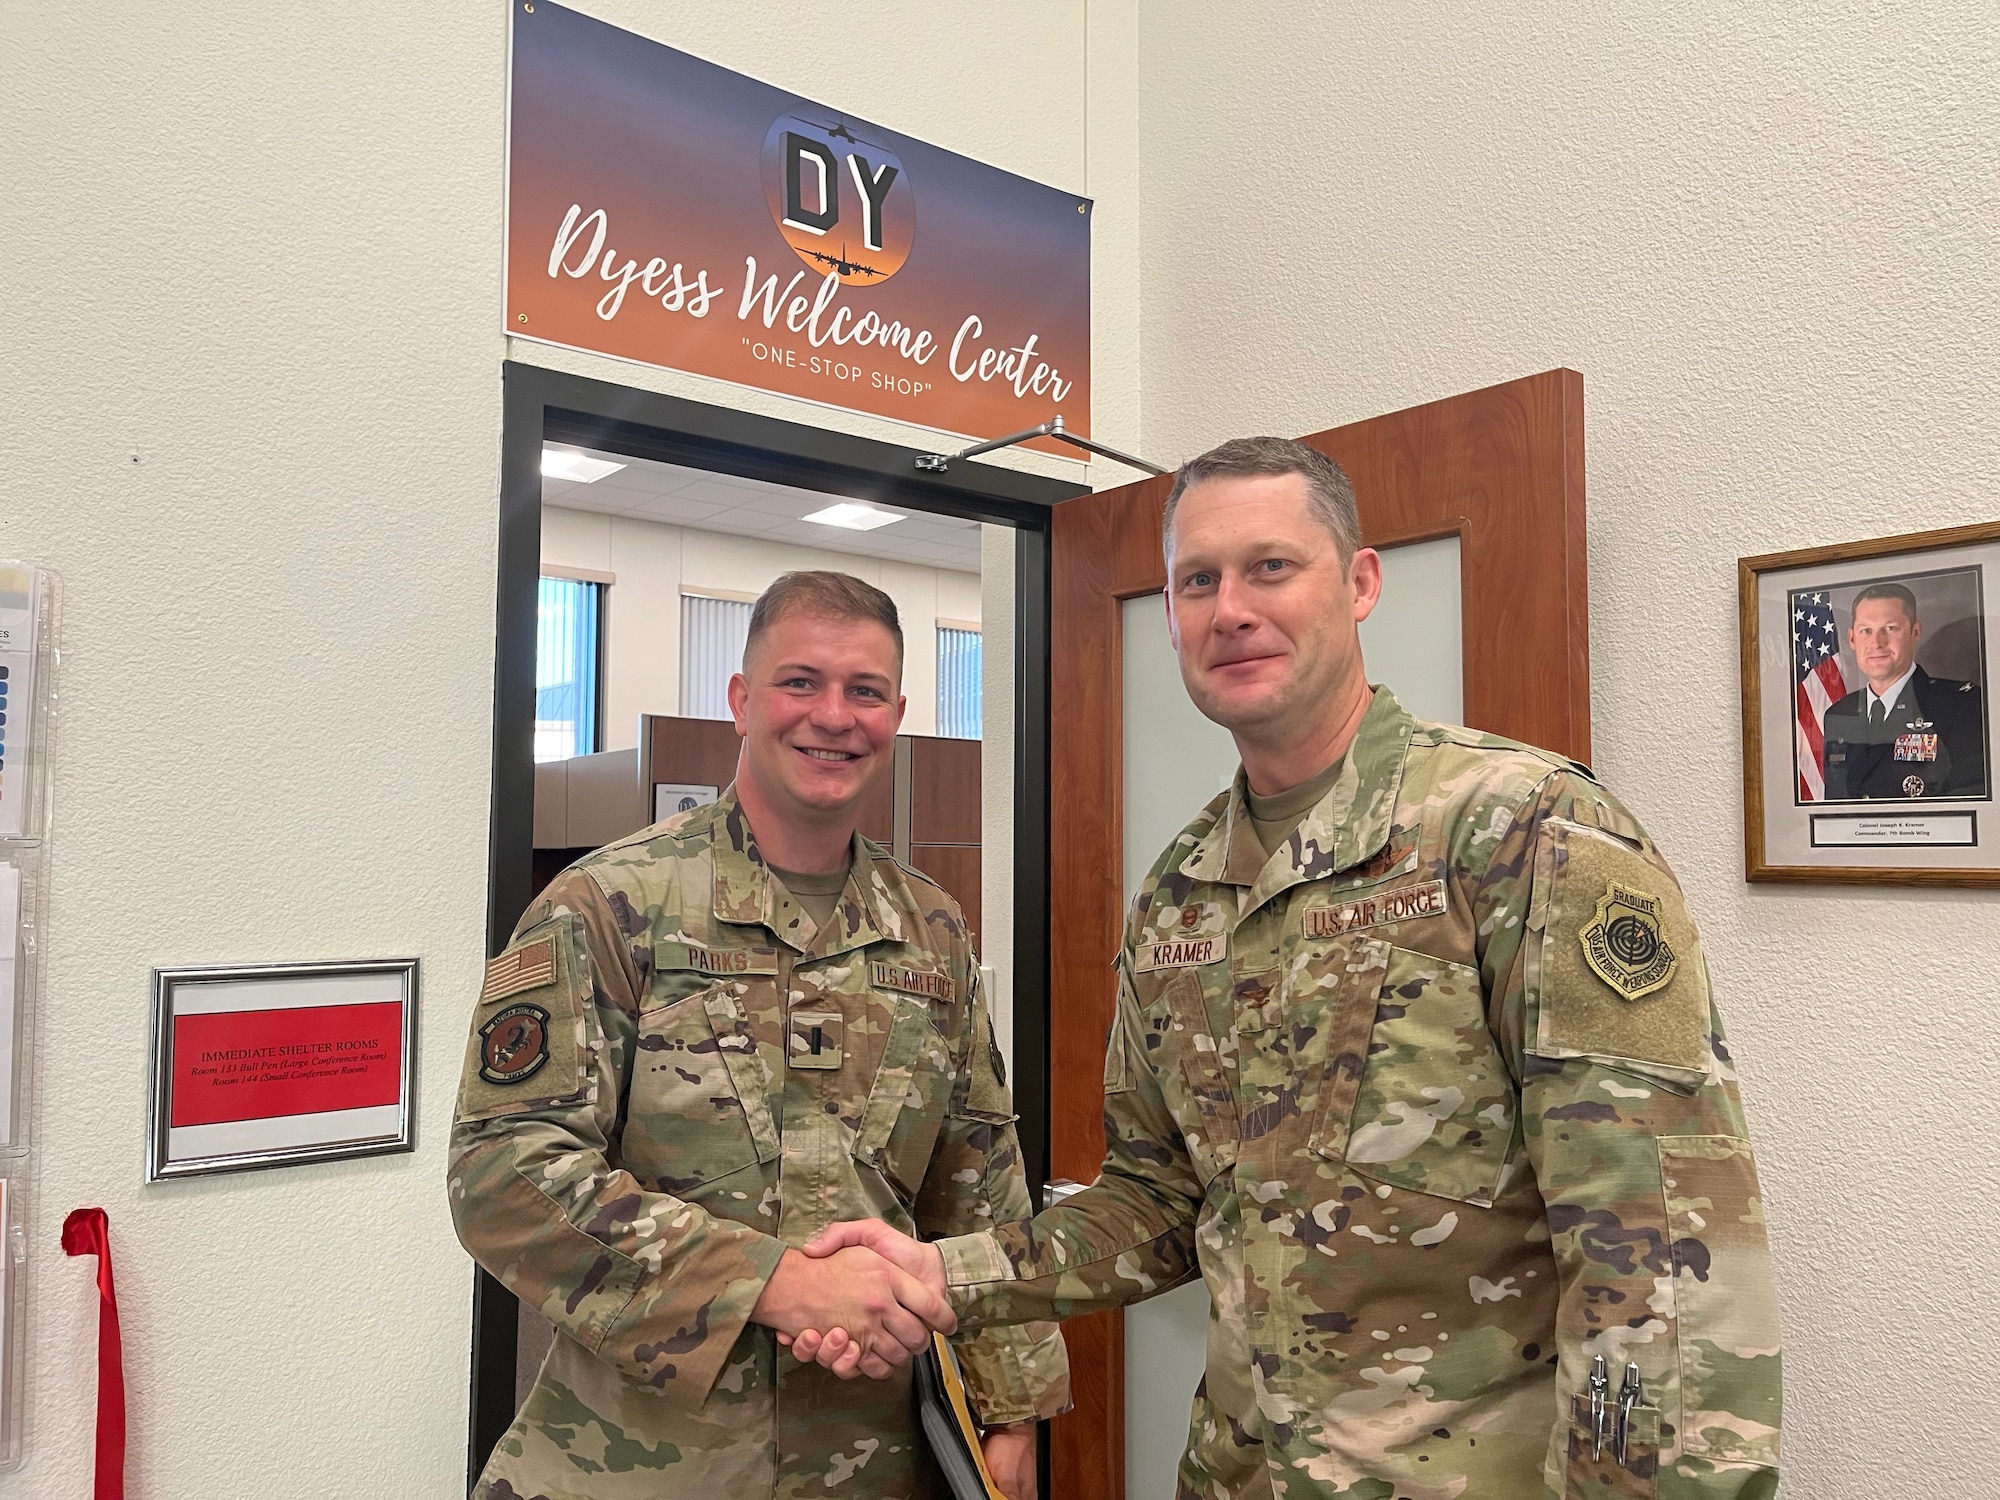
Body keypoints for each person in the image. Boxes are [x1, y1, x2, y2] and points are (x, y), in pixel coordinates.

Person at [794, 439, 1783, 1498]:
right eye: (1196, 580)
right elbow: (1157, 1199)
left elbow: (1658, 1252)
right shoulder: (1180, 890)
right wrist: (941, 1274)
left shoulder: (1519, 832)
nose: (1229, 609)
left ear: (1356, 584)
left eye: (1270, 566)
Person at [449, 570, 1066, 1500]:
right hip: (649, 1460)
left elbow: (978, 1184)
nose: (833, 715)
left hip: (881, 1461)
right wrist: (770, 1281)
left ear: (896, 712)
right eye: (800, 682)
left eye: (864, 691)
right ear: (742, 700)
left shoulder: (930, 927)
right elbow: (502, 1173)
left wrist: (1012, 1410)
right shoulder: (611, 905)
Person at [1821, 581, 1986, 799]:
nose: (1877, 643)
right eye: (1866, 631)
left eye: (1890, 628)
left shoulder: (1959, 705)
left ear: (1915, 632)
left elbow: (1972, 803)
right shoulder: (1839, 714)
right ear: (1852, 639)